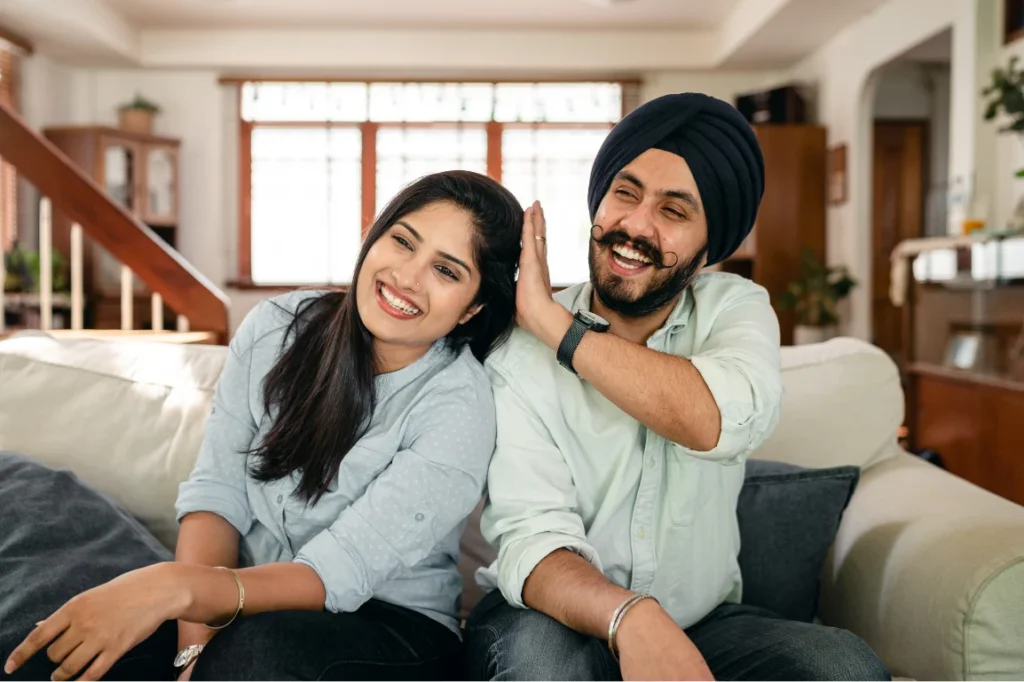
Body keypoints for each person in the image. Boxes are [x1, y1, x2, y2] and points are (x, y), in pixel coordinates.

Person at [3, 170, 524, 682]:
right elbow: (217, 495)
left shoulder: (460, 406)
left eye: (447, 271)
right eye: (402, 242)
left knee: (254, 657)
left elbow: (337, 571)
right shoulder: (279, 325)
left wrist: (177, 587)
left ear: (472, 309)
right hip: (230, 598)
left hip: (387, 625)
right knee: (63, 654)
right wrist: (191, 647)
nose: (407, 277)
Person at [463, 93, 890, 681]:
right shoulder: (518, 355)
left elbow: (717, 419)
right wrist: (630, 617)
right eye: (626, 193)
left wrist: (556, 327)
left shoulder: (736, 308)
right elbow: (531, 541)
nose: (636, 226)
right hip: (551, 617)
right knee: (540, 667)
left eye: (674, 211)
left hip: (704, 620)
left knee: (840, 664)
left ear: (710, 249)